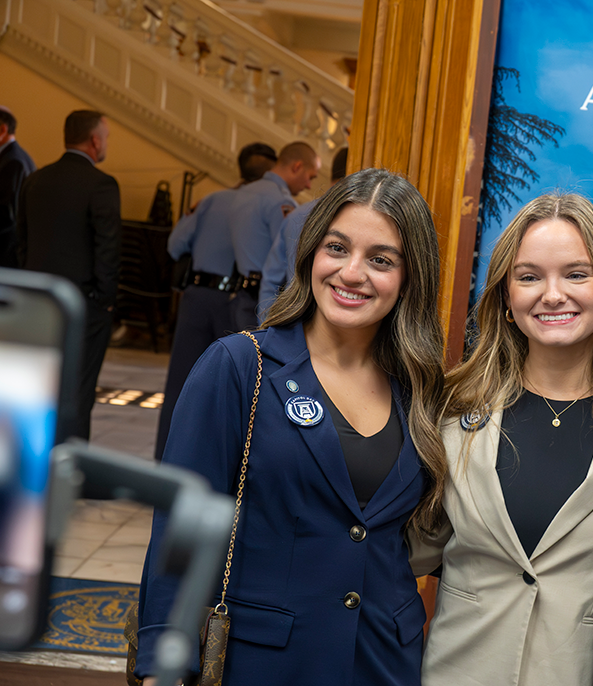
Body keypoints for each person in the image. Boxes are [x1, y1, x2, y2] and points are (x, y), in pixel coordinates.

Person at [135, 168, 446, 686]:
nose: (352, 272)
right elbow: (180, 532)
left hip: (383, 661)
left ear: (410, 277)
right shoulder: (240, 366)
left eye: (381, 260)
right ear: (309, 254)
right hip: (262, 663)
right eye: (336, 248)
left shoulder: (423, 389)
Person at [410, 194, 593, 685]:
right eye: (529, 276)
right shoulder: (452, 410)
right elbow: (408, 551)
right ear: (507, 300)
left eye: (576, 274)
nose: (552, 295)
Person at [155, 142, 278, 461]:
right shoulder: (269, 205)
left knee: (180, 383)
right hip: (237, 302)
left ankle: (165, 459)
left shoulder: (211, 200)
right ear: (270, 173)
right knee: (233, 387)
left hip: (196, 298)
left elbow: (174, 245)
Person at [16, 110, 120, 441]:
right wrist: (104, 301)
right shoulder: (101, 184)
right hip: (83, 307)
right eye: (105, 137)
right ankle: (69, 468)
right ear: (94, 140)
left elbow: (22, 242)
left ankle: (35, 459)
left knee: (39, 387)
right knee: (78, 392)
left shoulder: (36, 179)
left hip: (37, 304)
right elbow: (108, 249)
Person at [229, 141, 320, 330]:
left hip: (239, 295)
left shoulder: (241, 192)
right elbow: (288, 260)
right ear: (297, 167)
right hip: (266, 300)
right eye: (310, 177)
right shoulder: (282, 202)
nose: (309, 185)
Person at [258, 148, 348, 319]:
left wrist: (267, 325)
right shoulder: (365, 220)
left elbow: (271, 279)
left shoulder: (296, 215)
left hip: (293, 318)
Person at [0, 106, 35, 268]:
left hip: (3, 255)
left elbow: (5, 215)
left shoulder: (13, 162)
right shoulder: (7, 158)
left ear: (2, 129)